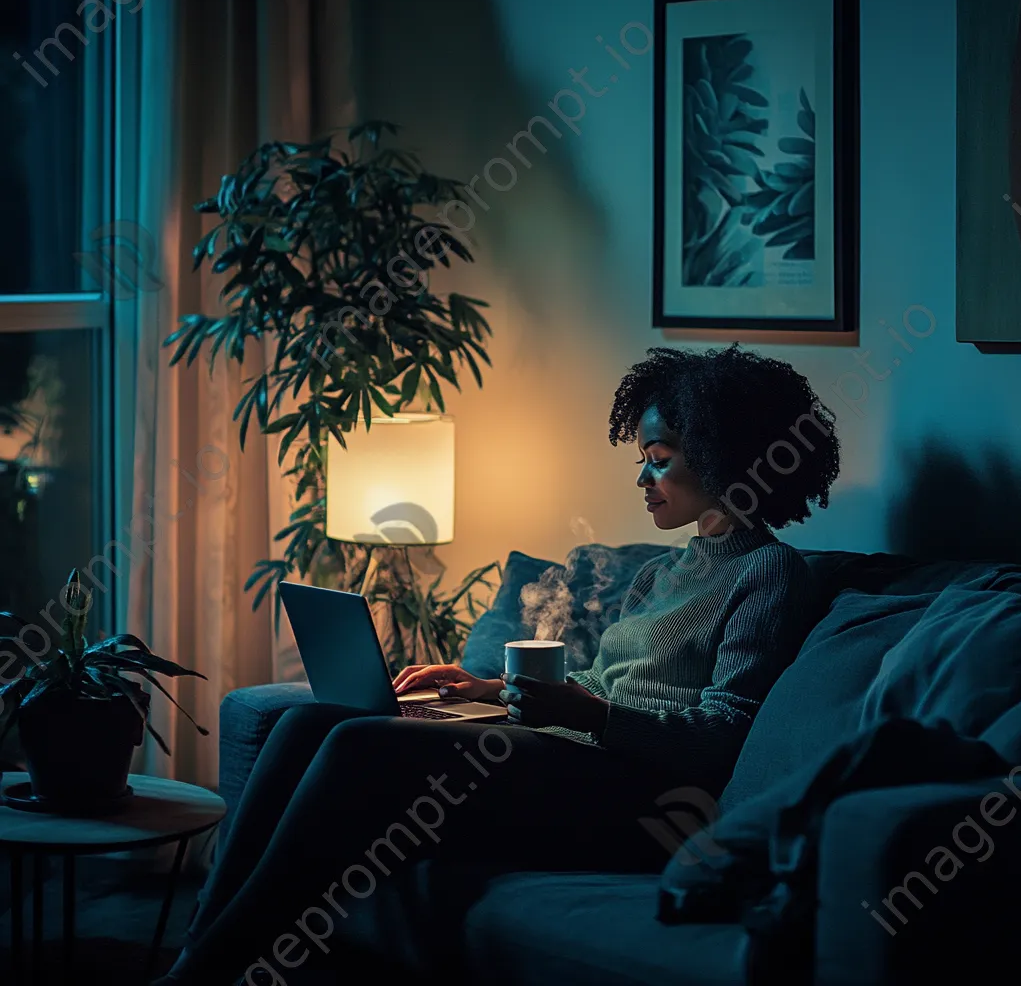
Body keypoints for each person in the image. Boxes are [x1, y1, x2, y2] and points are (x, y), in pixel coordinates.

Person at [154, 344, 841, 985]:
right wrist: (486, 687)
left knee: (361, 744)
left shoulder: (769, 573)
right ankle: (200, 950)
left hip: (642, 799)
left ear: (724, 460)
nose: (642, 477)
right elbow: (602, 683)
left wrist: (592, 716)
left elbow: (724, 736)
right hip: (575, 755)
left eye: (659, 459)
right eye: (643, 458)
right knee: (310, 721)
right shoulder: (663, 569)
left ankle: (209, 971)